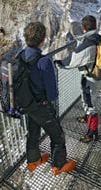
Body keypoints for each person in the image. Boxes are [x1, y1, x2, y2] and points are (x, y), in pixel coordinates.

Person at [22, 22, 77, 175]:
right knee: (57, 135)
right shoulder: (44, 61)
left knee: (33, 131)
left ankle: (33, 161)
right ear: (43, 39)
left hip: (27, 104)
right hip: (41, 106)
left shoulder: (20, 57)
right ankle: (59, 165)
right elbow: (52, 94)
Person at [58, 15, 101, 143]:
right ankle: (86, 117)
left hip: (90, 79)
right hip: (98, 76)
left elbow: (72, 60)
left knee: (90, 105)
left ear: (83, 27)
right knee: (89, 100)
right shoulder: (100, 38)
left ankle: (92, 133)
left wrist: (59, 63)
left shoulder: (89, 42)